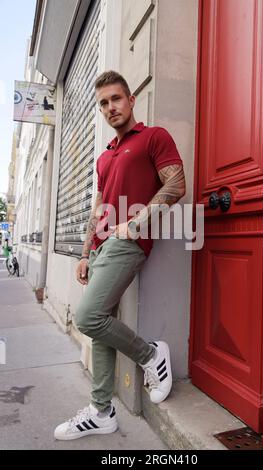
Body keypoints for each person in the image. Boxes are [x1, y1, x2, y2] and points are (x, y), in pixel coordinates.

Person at [54, 70, 186, 440]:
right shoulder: (104, 158)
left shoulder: (152, 137)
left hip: (127, 243)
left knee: (88, 317)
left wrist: (137, 222)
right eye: (103, 103)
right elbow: (98, 208)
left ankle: (150, 356)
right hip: (99, 249)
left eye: (116, 99)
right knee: (99, 328)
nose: (110, 107)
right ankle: (101, 411)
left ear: (130, 100)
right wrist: (84, 253)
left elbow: (176, 183)